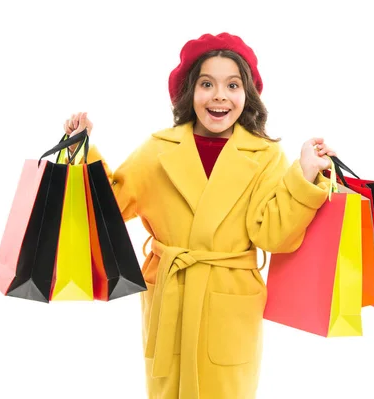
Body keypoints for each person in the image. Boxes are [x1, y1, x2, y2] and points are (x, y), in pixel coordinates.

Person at [64, 32, 337, 399]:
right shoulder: (157, 151)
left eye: (233, 84)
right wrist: (81, 151)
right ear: (189, 92)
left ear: (248, 95)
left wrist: (304, 174)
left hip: (230, 302)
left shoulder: (264, 155)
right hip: (171, 297)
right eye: (207, 83)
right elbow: (107, 209)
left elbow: (274, 235)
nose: (220, 95)